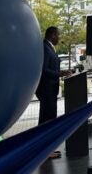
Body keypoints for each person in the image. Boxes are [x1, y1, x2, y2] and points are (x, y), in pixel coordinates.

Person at [37, 26, 70, 160]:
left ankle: (46, 149)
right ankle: (45, 151)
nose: (59, 38)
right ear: (52, 35)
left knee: (49, 120)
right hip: (46, 90)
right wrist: (60, 74)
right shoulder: (45, 48)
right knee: (47, 120)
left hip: (51, 90)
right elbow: (44, 70)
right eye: (58, 35)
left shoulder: (49, 47)